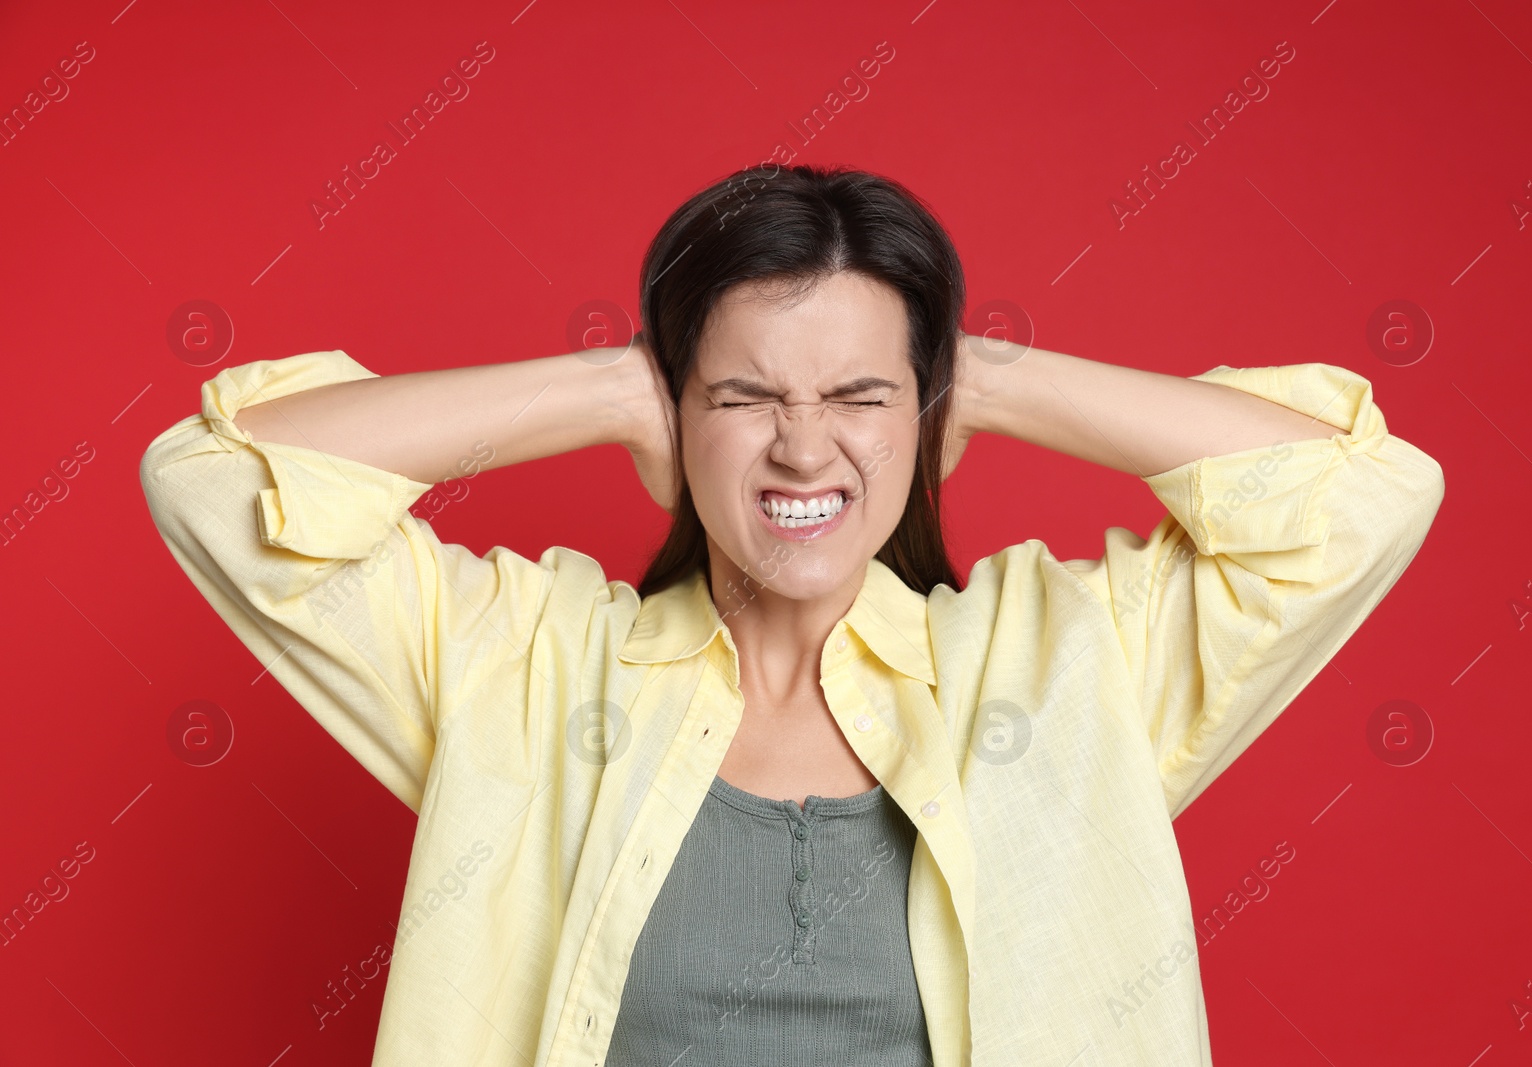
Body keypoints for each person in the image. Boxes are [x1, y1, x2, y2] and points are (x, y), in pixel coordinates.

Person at [138, 163, 1445, 1066]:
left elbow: (1364, 493)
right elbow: (210, 481)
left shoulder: (1065, 674)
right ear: (676, 413)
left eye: (861, 397)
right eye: (746, 397)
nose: (804, 451)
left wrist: (982, 377)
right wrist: (602, 385)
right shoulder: (525, 672)